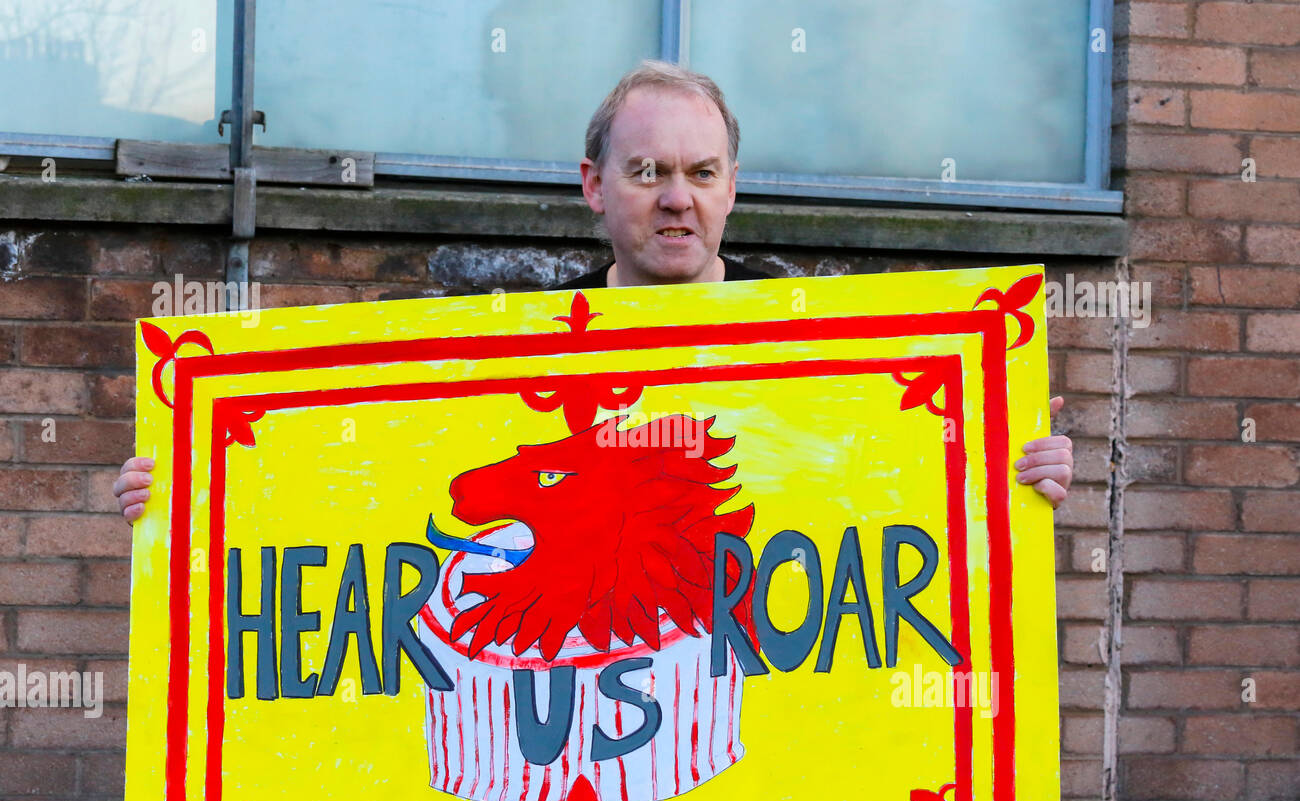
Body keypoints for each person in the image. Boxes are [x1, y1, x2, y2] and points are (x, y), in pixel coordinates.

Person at [114, 60, 1072, 522]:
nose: (674, 198)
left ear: (732, 186)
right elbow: (376, 496)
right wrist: (193, 492)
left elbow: (895, 493)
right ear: (592, 186)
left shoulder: (823, 348)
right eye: (647, 169)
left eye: (701, 172)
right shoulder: (519, 361)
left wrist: (1013, 472)